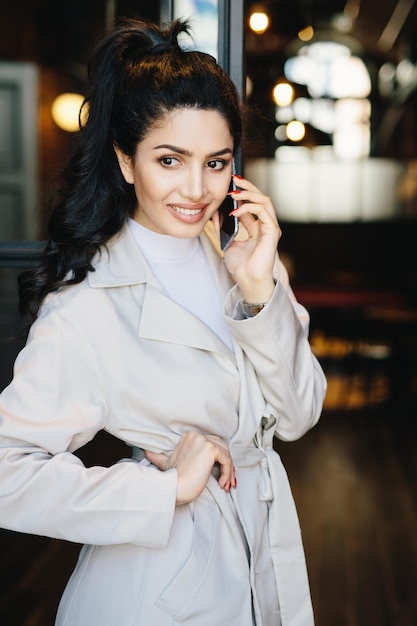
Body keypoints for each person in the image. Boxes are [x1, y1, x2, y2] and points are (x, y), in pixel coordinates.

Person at [0, 17, 326, 626]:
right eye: (170, 160)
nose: (196, 189)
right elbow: (6, 470)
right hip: (159, 590)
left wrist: (261, 294)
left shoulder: (242, 262)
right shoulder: (90, 302)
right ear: (126, 162)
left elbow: (300, 415)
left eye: (216, 162)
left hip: (261, 559)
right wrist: (162, 491)